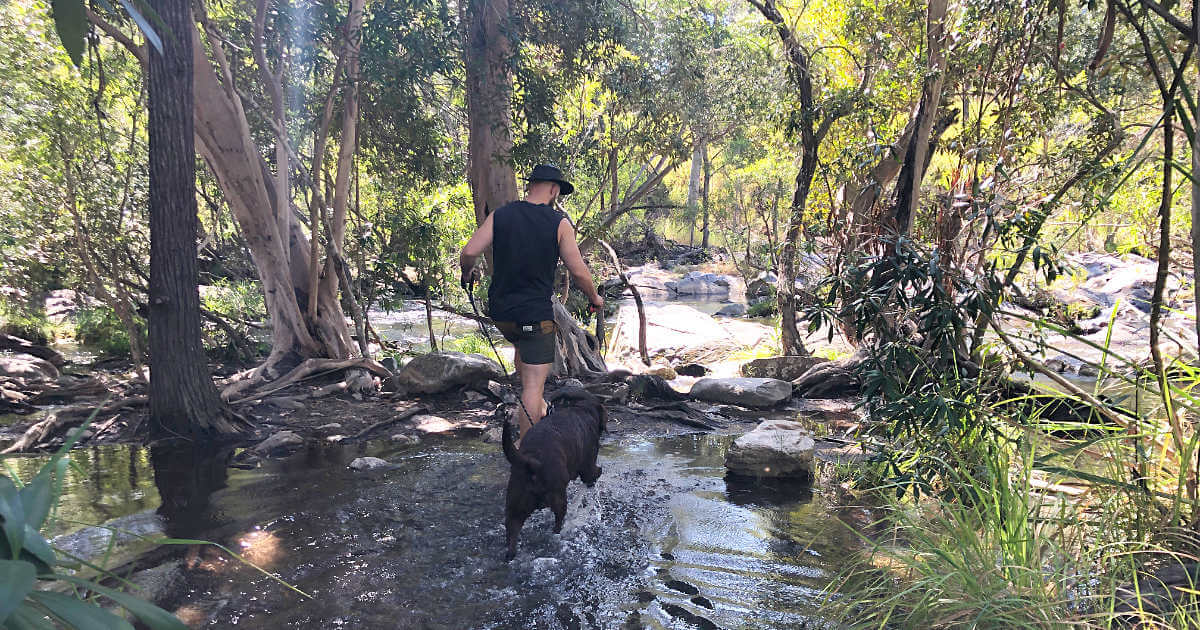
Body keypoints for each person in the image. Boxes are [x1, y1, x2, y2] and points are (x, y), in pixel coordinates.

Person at [459, 164, 604, 443]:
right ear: (553, 189)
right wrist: (594, 297)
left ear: (531, 186)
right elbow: (577, 270)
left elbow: (469, 252)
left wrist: (467, 272)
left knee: (524, 359)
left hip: (503, 315)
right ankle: (527, 453)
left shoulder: (501, 215)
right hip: (534, 317)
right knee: (534, 388)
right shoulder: (559, 223)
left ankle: (538, 414)